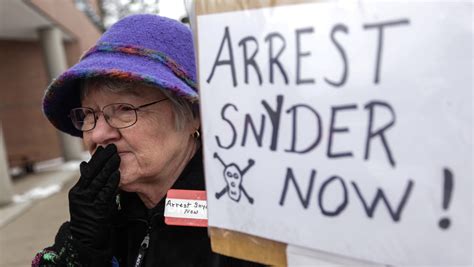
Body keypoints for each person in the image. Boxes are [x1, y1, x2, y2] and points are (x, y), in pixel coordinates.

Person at [33, 14, 263, 267]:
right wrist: (83, 252)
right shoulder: (101, 216)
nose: (97, 135)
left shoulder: (247, 223)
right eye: (88, 114)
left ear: (193, 115)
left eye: (124, 109)